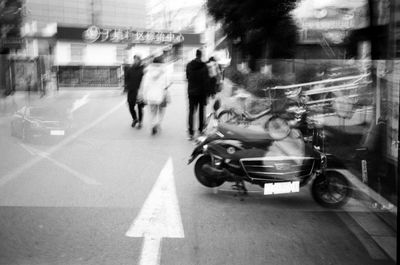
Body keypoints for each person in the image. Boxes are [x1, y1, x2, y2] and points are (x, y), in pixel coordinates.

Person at [140, 56, 171, 135]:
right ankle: (158, 123)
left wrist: (144, 95)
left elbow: (145, 85)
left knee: (152, 112)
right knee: (161, 111)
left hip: (150, 95)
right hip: (161, 95)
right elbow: (167, 84)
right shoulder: (164, 71)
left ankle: (153, 124)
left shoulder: (148, 72)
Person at [186, 49, 209, 140]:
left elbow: (187, 77)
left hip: (191, 92)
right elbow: (206, 81)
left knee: (191, 112)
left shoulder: (189, 65)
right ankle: (201, 130)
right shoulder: (204, 66)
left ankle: (191, 132)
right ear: (201, 55)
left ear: (195, 55)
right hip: (202, 92)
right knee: (201, 111)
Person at [125, 55, 145, 128]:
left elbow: (145, 80)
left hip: (140, 91)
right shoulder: (130, 69)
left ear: (140, 60)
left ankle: (140, 122)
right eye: (135, 59)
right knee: (130, 107)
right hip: (131, 91)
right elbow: (126, 78)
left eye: (137, 59)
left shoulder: (143, 69)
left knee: (140, 108)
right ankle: (135, 119)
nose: (135, 61)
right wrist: (127, 86)